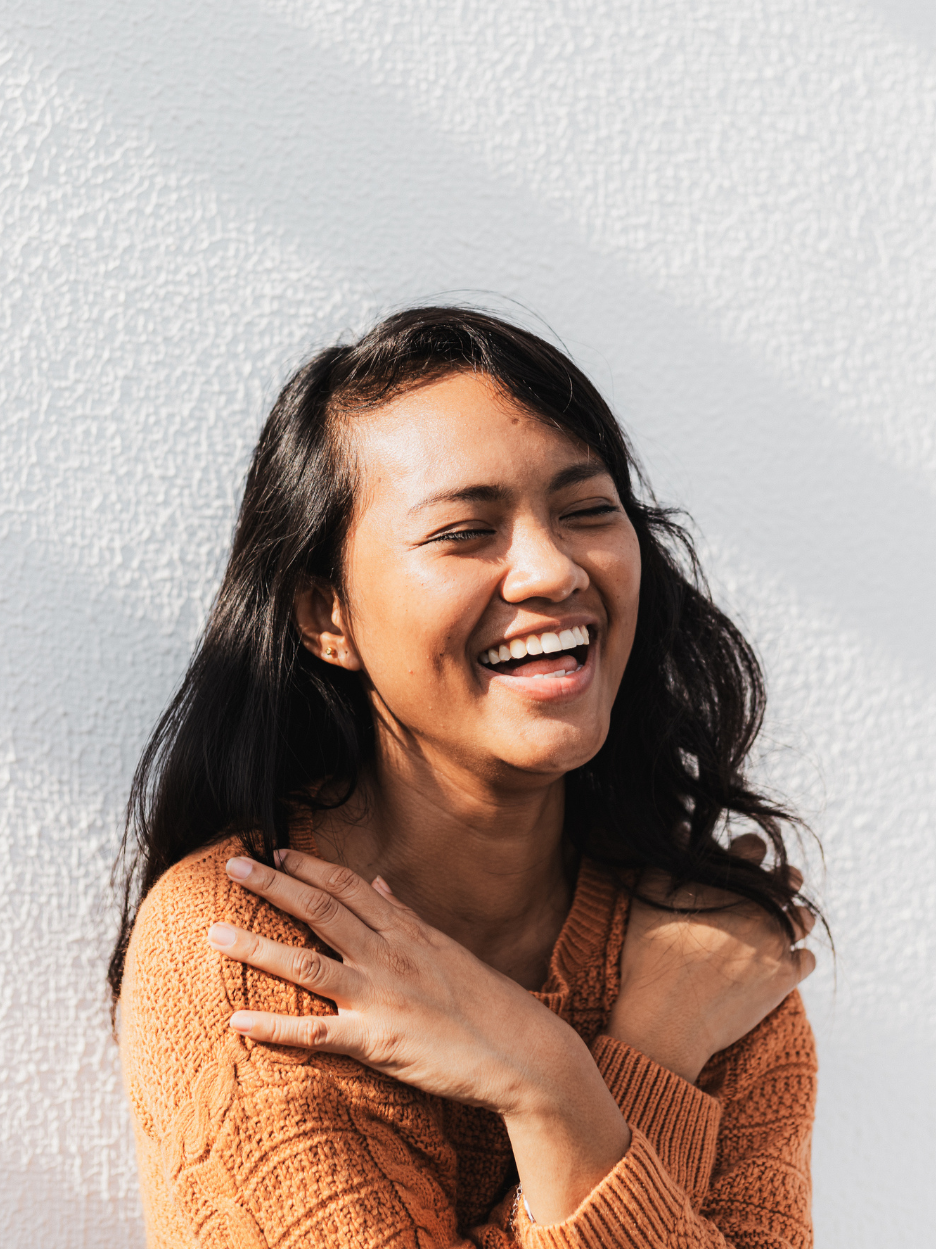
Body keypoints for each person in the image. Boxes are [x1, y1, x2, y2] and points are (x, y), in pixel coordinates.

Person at [111, 306, 819, 1249]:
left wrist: (582, 1074)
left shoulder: (712, 945)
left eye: (587, 511)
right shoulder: (248, 952)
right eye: (465, 531)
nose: (550, 568)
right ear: (329, 615)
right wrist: (604, 1070)